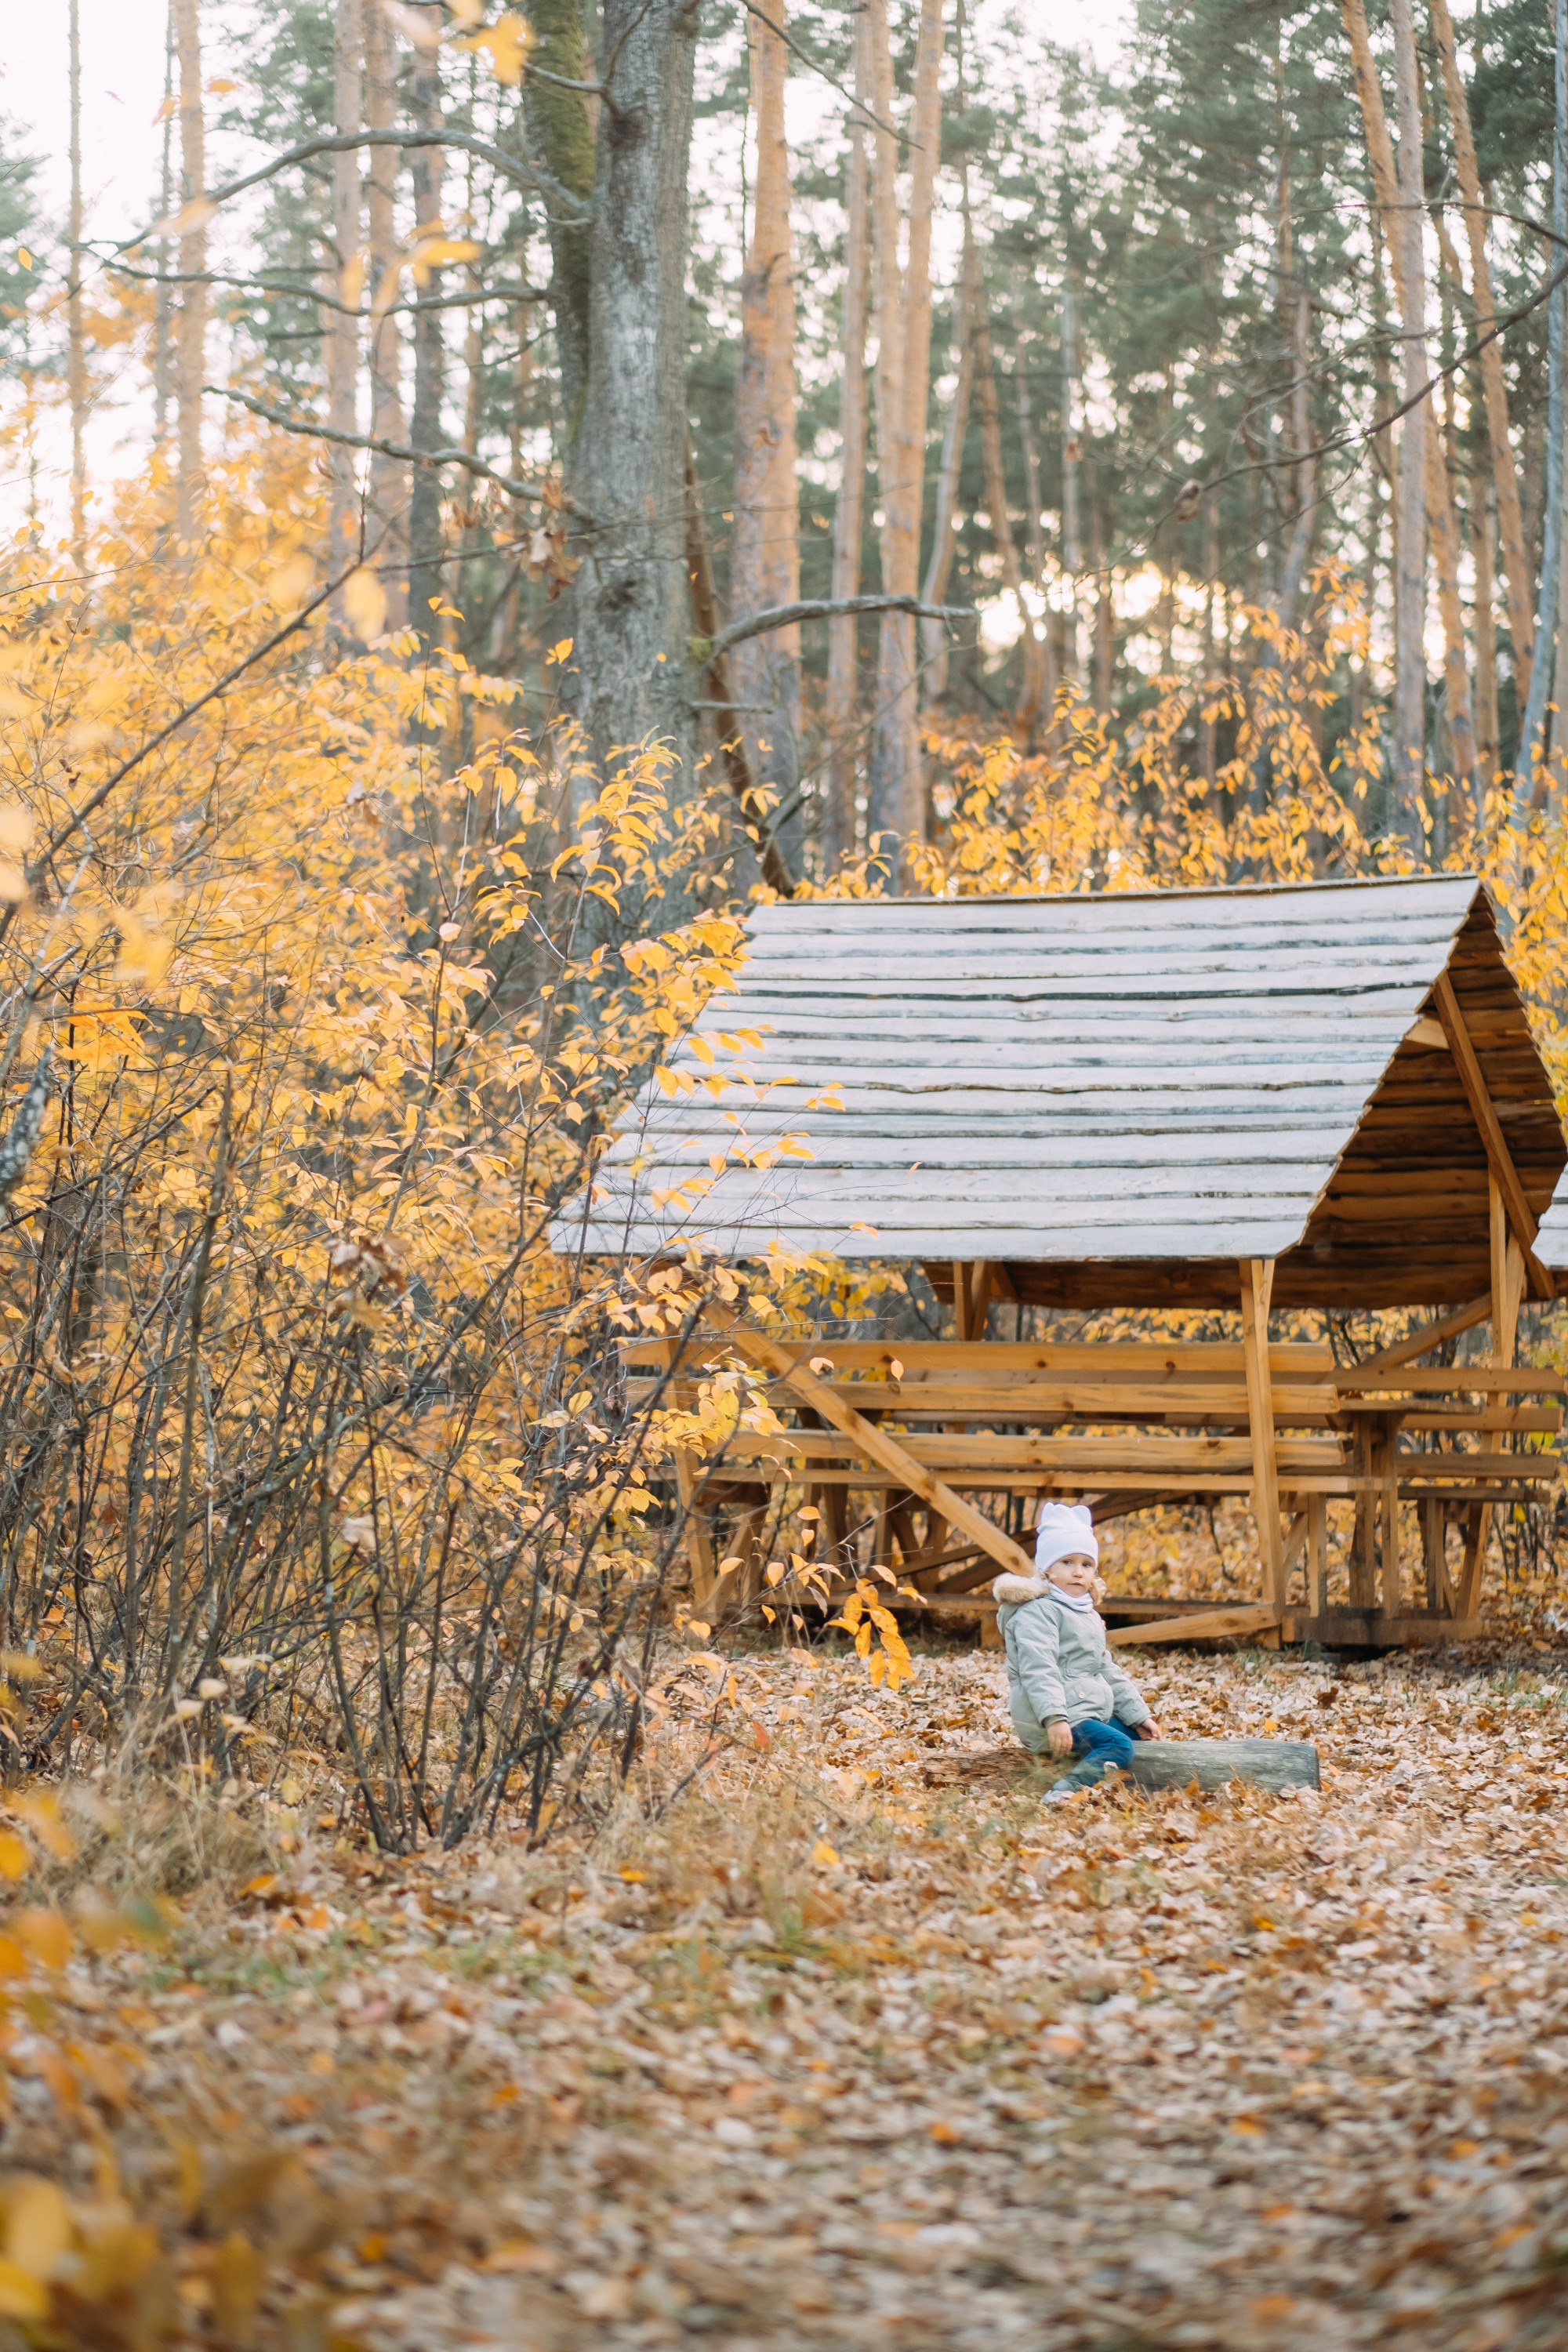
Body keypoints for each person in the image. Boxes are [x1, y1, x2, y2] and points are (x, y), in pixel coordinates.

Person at [992, 1501, 1161, 1802]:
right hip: (1049, 1716)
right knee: (1120, 1747)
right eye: (1067, 1562)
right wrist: (1055, 1719)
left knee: (1135, 1739)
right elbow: (1038, 1668)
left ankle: (1107, 1777)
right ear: (1046, 1569)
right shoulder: (1038, 1611)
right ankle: (1066, 1789)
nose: (1078, 1572)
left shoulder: (1084, 1612)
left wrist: (1138, 1716)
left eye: (1086, 1564)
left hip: (1083, 1708)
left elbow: (1104, 1668)